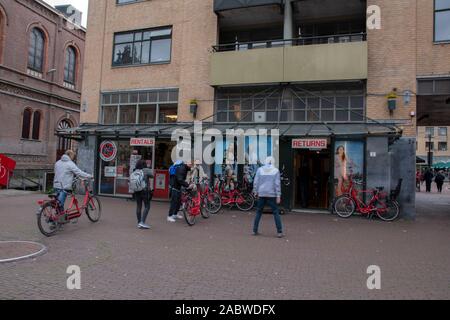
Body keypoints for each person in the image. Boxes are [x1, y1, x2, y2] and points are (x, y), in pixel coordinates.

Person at [53, 150, 93, 220]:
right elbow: (79, 172)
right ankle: (58, 220)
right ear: (71, 156)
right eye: (73, 156)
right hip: (64, 186)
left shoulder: (57, 163)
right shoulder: (70, 163)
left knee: (58, 203)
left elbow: (61, 173)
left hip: (56, 185)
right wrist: (89, 176)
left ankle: (61, 218)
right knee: (60, 204)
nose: (73, 158)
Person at [252, 157, 284, 238]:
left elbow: (256, 181)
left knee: (259, 212)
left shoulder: (260, 170)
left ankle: (254, 230)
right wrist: (278, 195)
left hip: (262, 193)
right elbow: (277, 184)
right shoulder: (276, 170)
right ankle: (279, 232)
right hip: (271, 194)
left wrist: (255, 192)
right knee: (275, 212)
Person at [132, 160, 154, 229]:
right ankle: (142, 222)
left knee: (139, 206)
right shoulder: (146, 170)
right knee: (147, 206)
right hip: (145, 190)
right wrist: (148, 168)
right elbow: (152, 175)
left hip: (137, 190)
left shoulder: (135, 170)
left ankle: (139, 222)